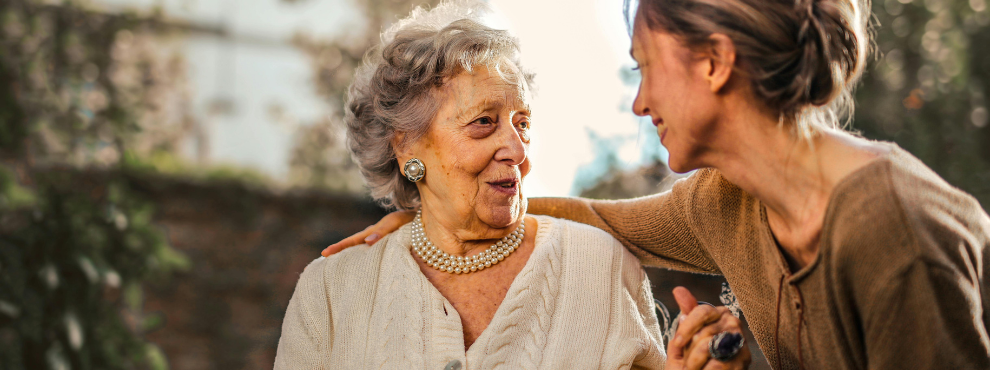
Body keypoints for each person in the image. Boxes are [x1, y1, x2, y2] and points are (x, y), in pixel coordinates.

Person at [323, 0, 990, 368]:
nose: (640, 103)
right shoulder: (725, 202)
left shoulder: (891, 229)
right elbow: (597, 220)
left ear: (714, 62)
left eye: (645, 67)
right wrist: (440, 215)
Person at [275, 2, 750, 369]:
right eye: (484, 122)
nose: (517, 151)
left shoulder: (598, 265)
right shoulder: (333, 290)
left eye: (522, 123)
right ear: (406, 148)